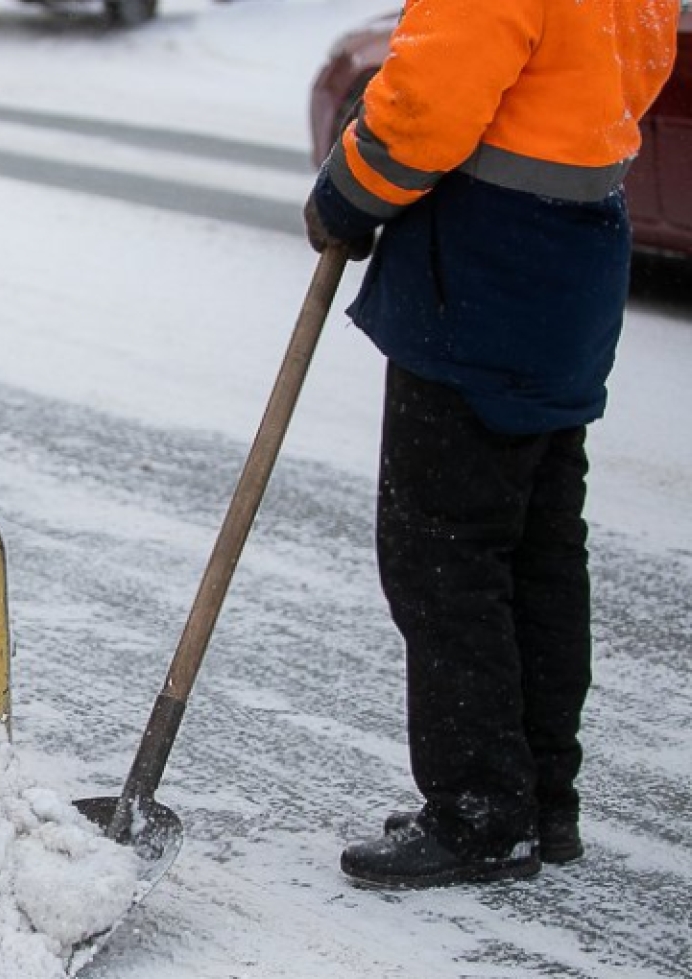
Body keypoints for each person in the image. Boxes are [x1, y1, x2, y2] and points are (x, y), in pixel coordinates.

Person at [303, 0, 678, 888]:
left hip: (485, 273)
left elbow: (427, 104)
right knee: (538, 551)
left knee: (445, 555)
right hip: (575, 263)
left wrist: (346, 192)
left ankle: (479, 812)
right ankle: (540, 798)